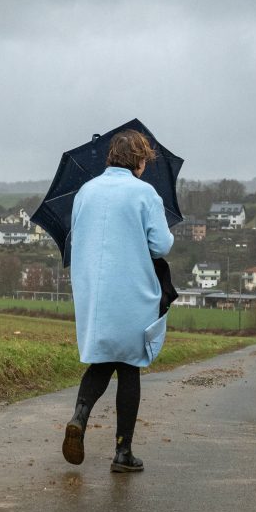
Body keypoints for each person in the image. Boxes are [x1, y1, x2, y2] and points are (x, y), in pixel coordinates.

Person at [61, 129, 174, 472]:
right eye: (145, 159)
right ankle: (123, 453)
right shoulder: (145, 194)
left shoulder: (85, 192)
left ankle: (79, 417)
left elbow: (76, 235)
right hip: (131, 290)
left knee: (101, 359)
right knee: (129, 365)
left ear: (111, 157)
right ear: (139, 160)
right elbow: (161, 246)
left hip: (94, 291)